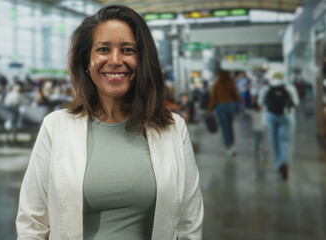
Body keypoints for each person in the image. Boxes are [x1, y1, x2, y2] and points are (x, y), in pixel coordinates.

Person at [16, 5, 203, 240]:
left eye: (127, 50)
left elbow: (189, 223)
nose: (115, 60)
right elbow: (32, 221)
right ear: (87, 61)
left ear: (142, 60)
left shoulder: (173, 129)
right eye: (103, 49)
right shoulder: (56, 127)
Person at [257, 72, 299, 180]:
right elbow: (296, 102)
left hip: (271, 116)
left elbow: (260, 102)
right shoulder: (289, 87)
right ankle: (285, 161)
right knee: (286, 141)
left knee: (274, 141)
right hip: (287, 116)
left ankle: (278, 165)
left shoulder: (267, 88)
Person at [208, 69, 242, 156]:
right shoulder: (231, 83)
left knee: (225, 127)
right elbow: (236, 94)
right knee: (230, 126)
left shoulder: (217, 84)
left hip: (221, 107)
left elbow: (213, 98)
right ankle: (233, 145)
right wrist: (240, 102)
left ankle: (228, 147)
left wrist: (210, 108)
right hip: (231, 106)